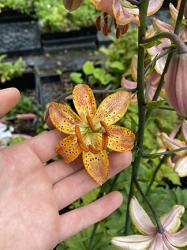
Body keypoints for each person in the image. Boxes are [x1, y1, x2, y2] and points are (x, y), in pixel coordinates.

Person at [0, 88, 132, 250]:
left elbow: (126, 139)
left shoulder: (100, 134)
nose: (93, 128)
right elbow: (80, 92)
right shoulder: (76, 138)